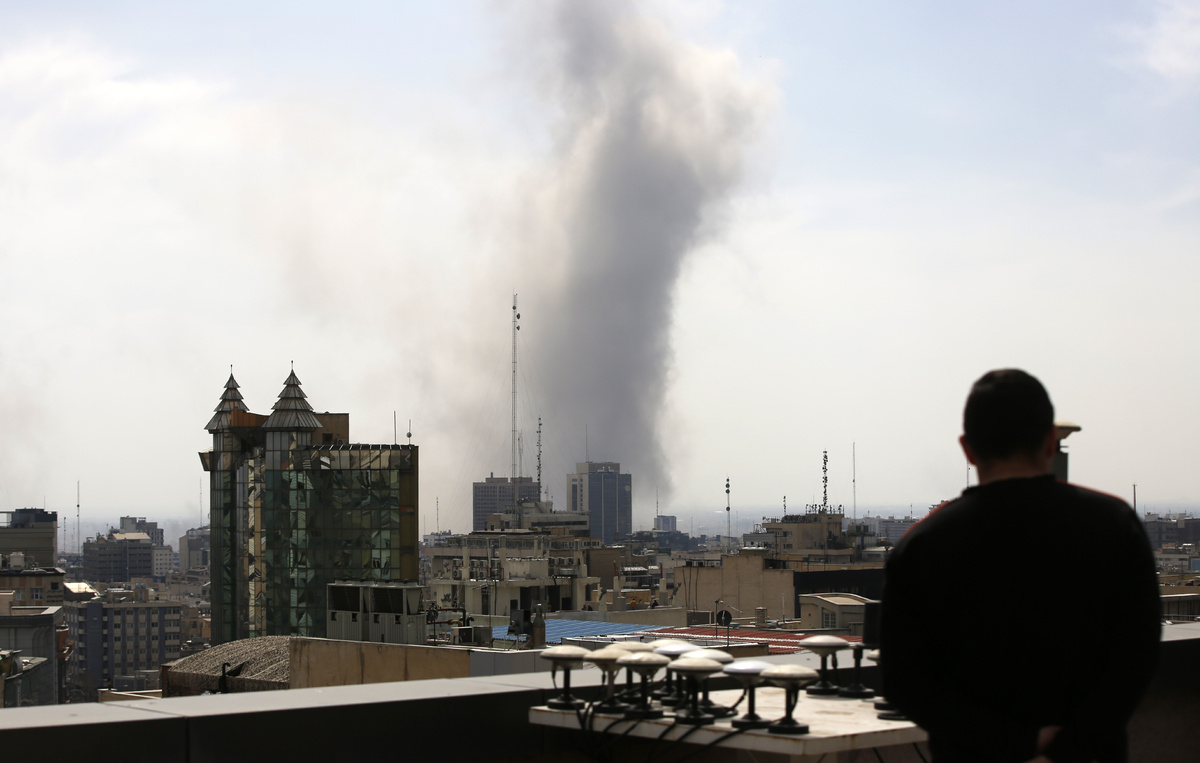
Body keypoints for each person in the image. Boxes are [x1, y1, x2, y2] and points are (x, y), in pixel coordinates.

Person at [880, 369, 1160, 763]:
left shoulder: (923, 545)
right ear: (1049, 440)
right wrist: (1067, 749)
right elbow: (1136, 657)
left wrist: (1015, 742)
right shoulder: (1113, 524)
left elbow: (905, 681)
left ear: (968, 448)